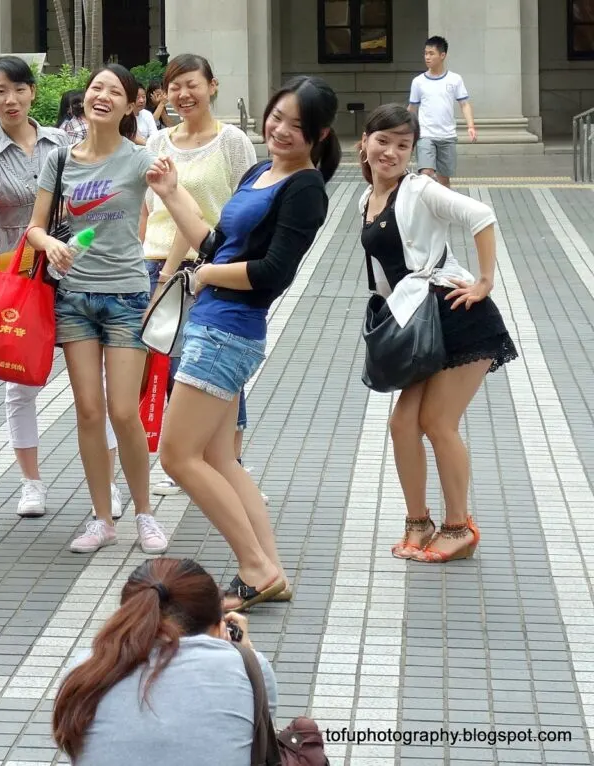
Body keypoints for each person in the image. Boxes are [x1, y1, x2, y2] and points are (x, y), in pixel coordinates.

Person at [146, 76, 342, 609]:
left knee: (177, 457)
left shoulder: (304, 187)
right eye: (277, 116)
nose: (280, 130)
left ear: (319, 134)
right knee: (220, 459)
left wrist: (208, 276)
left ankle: (254, 566)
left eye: (296, 126)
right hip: (214, 322)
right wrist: (171, 193)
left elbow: (273, 272)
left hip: (228, 331)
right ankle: (270, 568)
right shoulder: (260, 171)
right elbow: (215, 243)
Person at [357, 104, 517, 562]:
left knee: (436, 423)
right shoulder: (365, 201)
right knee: (402, 423)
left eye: (402, 145)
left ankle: (458, 526)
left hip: (459, 317)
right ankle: (418, 521)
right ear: (364, 143)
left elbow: (482, 216)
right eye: (382, 141)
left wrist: (484, 281)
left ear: (412, 152)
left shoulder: (420, 188)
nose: (390, 152)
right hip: (419, 323)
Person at [0, 56, 122, 519]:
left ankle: (107, 484)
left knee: (97, 383)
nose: (9, 99)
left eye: (18, 89)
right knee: (20, 385)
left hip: (75, 271)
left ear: (33, 92)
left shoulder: (65, 143)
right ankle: (31, 483)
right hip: (19, 279)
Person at [26, 64, 170, 554]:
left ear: (132, 105)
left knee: (123, 411)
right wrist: (50, 245)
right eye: (95, 88)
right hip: (74, 299)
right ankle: (102, 517)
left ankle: (145, 513)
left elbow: (173, 200)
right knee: (89, 411)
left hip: (127, 296)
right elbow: (35, 227)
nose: (101, 96)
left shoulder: (139, 159)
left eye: (114, 91)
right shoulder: (61, 161)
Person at [140, 54, 261, 499]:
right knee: (172, 369)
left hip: (208, 269)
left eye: (192, 84)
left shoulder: (231, 142)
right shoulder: (158, 142)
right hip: (156, 264)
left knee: (217, 368)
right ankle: (188, 462)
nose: (183, 94)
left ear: (212, 86)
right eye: (174, 87)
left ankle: (231, 467)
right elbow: (148, 208)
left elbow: (243, 209)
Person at [53, 558, 278, 765]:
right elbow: (260, 743)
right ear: (219, 627)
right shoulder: (248, 667)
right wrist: (245, 654)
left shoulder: (87, 667)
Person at [408, 36, 476, 188]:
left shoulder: (455, 79)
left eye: (431, 53)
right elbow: (412, 108)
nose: (427, 57)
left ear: (442, 55)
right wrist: (405, 129)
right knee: (426, 173)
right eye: (425, 53)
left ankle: (444, 209)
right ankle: (424, 206)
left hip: (447, 136)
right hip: (425, 135)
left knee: (444, 180)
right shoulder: (418, 82)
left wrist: (470, 126)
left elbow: (464, 104)